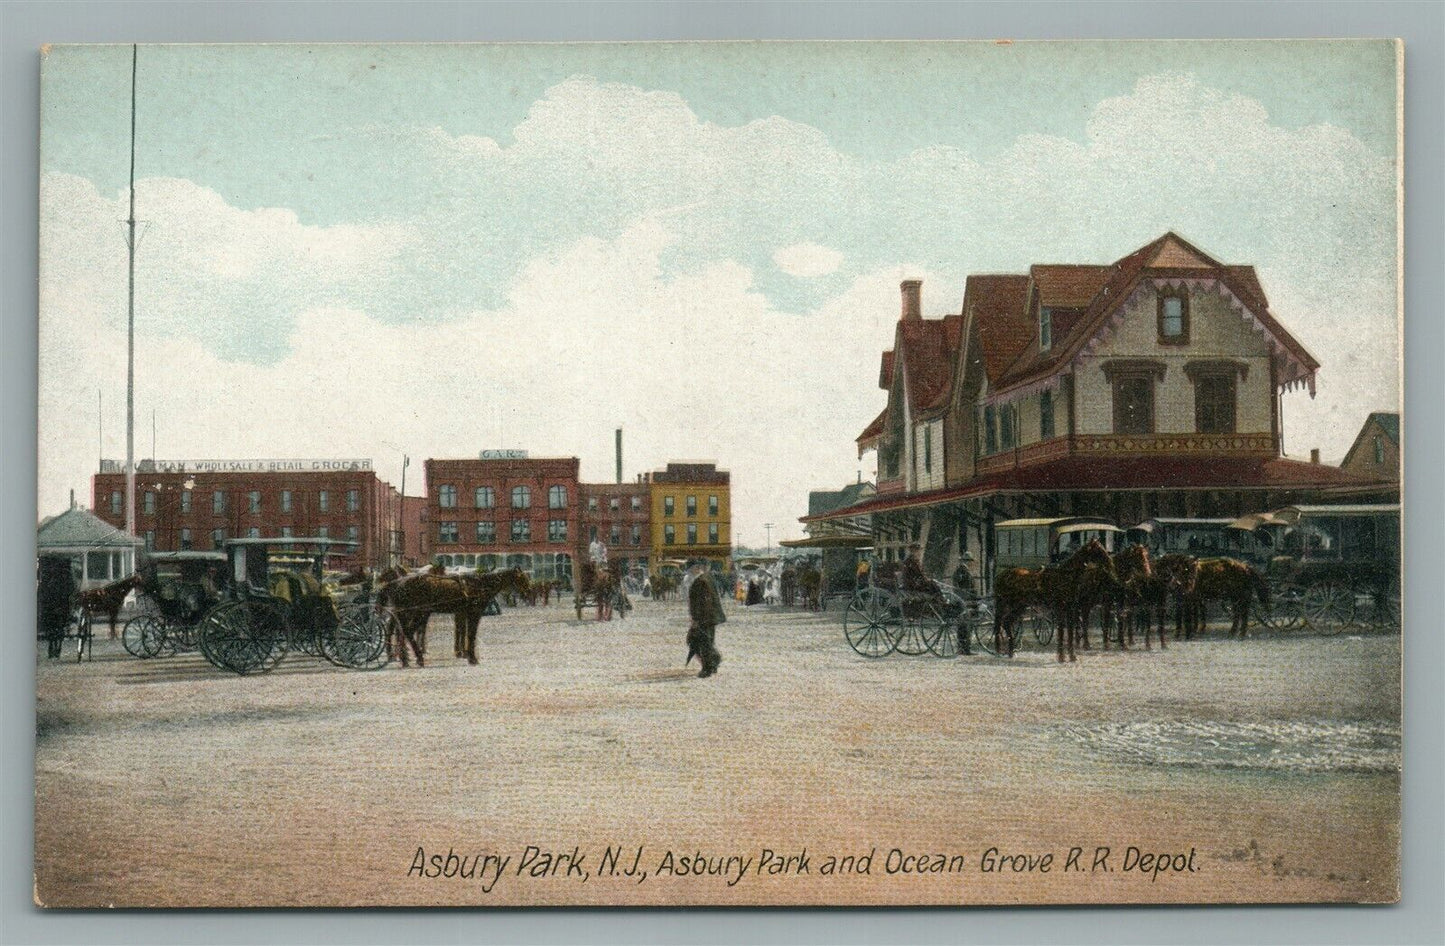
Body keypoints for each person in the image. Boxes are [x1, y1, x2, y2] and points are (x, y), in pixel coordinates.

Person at [685, 559, 726, 678]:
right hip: (709, 617)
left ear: (697, 568)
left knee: (702, 642)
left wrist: (696, 620)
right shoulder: (708, 578)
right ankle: (712, 664)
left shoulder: (701, 581)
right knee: (706, 641)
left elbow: (703, 603)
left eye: (691, 569)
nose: (690, 572)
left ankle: (708, 667)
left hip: (704, 618)